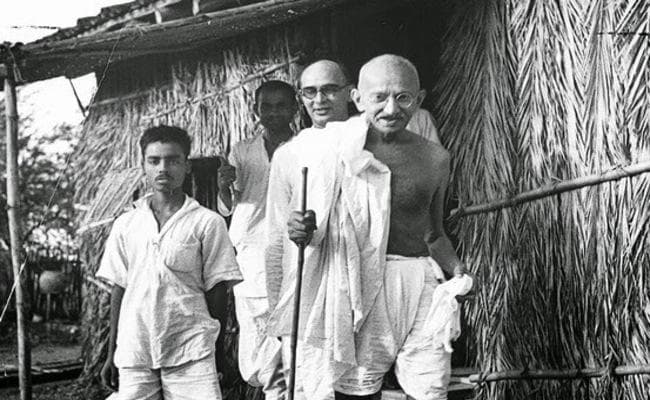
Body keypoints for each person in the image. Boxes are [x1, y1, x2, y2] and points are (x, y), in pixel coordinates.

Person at [265, 55, 474, 400]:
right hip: (358, 279)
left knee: (432, 387)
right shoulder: (333, 150)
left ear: (419, 100)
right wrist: (299, 228)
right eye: (379, 97)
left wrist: (458, 270)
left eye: (403, 98)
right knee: (358, 387)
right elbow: (297, 226)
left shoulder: (436, 158)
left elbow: (434, 235)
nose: (391, 109)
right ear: (358, 99)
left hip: (420, 279)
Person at [97, 125, 242, 400]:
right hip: (136, 347)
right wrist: (112, 352)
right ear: (143, 166)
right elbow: (120, 288)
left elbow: (217, 290)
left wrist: (218, 352)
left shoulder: (207, 222)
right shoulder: (126, 224)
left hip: (191, 347)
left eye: (173, 160)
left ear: (187, 166)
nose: (163, 169)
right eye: (154, 161)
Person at [216, 80, 298, 399]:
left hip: (292, 246)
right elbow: (229, 205)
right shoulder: (242, 150)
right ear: (256, 110)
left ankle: (281, 389)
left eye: (281, 106)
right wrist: (223, 187)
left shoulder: (305, 146)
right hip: (250, 248)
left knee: (289, 319)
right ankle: (265, 386)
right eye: (267, 106)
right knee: (254, 321)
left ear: (294, 109)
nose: (273, 113)